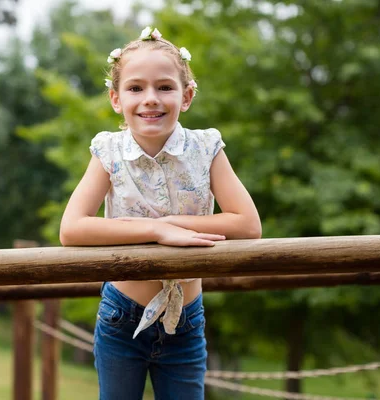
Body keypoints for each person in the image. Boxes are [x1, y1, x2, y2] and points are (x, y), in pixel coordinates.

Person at [59, 26, 262, 400]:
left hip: (186, 319)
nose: (150, 99)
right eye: (135, 88)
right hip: (122, 317)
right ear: (116, 99)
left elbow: (248, 224)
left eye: (164, 87)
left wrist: (168, 224)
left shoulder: (207, 149)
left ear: (186, 96)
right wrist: (155, 231)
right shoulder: (108, 152)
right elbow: (72, 228)